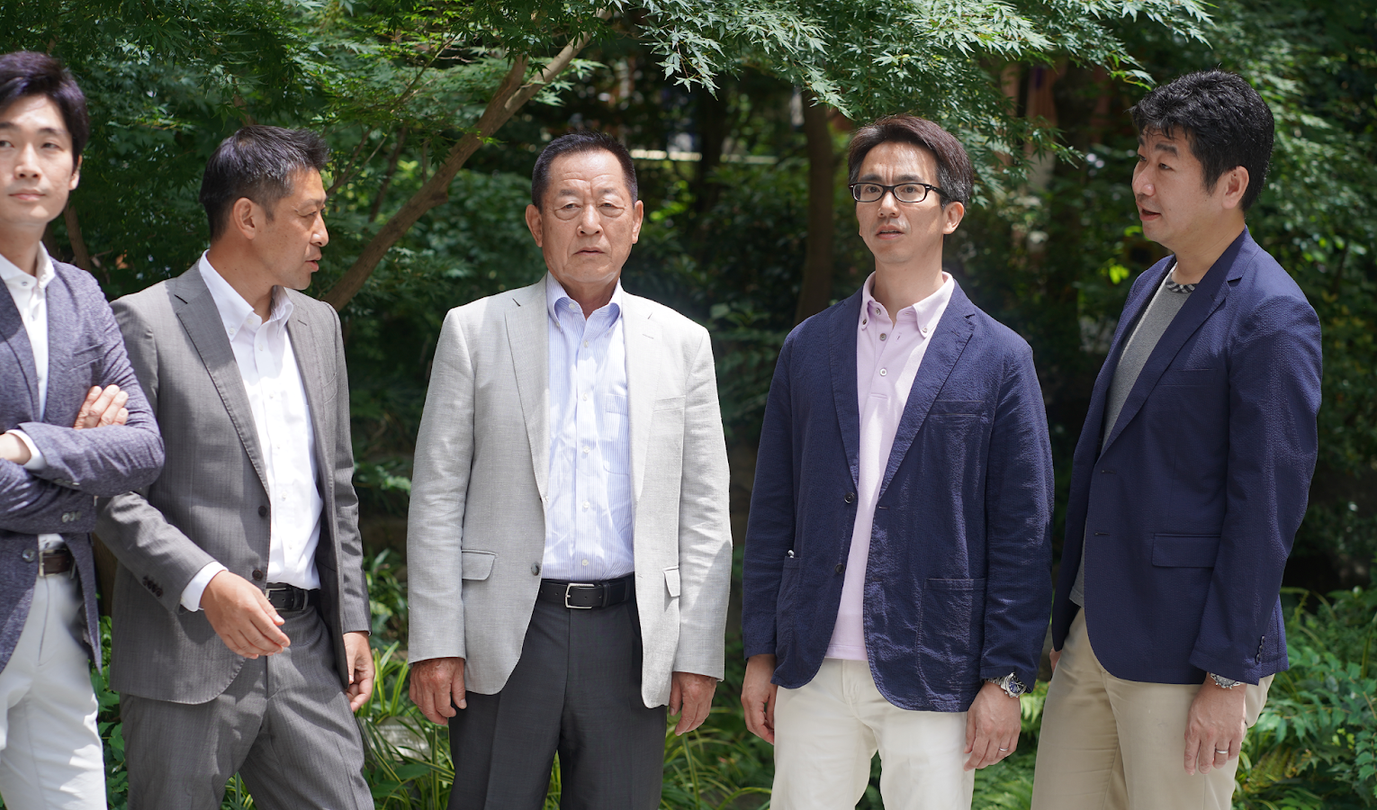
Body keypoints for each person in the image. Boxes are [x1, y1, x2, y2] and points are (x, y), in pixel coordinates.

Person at [405, 130, 731, 809]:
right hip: (505, 633)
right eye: (568, 206)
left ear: (635, 221)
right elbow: (435, 498)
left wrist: (698, 653)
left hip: (629, 634)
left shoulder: (682, 343)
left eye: (609, 205)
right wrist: (435, 641)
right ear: (536, 223)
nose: (590, 223)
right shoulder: (475, 330)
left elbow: (704, 511)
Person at [740, 114, 1054, 810]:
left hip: (936, 660)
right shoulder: (809, 346)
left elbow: (1022, 533)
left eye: (910, 189)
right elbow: (772, 511)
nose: (887, 204)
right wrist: (761, 651)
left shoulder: (1001, 358)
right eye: (870, 188)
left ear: (952, 213)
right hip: (813, 660)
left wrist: (1006, 678)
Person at [1031, 70, 1322, 810]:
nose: (1142, 181)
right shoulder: (1150, 285)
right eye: (1141, 159)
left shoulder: (1272, 316)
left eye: (1166, 164)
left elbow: (1265, 509)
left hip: (1188, 654)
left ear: (1232, 185)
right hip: (1096, 630)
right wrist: (1072, 615)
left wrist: (1228, 674)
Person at [94, 125, 374, 809]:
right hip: (184, 648)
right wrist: (208, 583)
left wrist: (352, 618)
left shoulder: (319, 326)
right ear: (248, 217)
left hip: (304, 645)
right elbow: (112, 494)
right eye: (309, 215)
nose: (323, 234)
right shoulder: (145, 323)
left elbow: (337, 489)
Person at [0, 51, 165, 808]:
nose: (27, 163)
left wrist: (31, 444)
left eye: (49, 145)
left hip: (65, 618)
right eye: (3, 142)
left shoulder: (82, 294)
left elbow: (146, 448)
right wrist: (86, 485)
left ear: (74, 170)